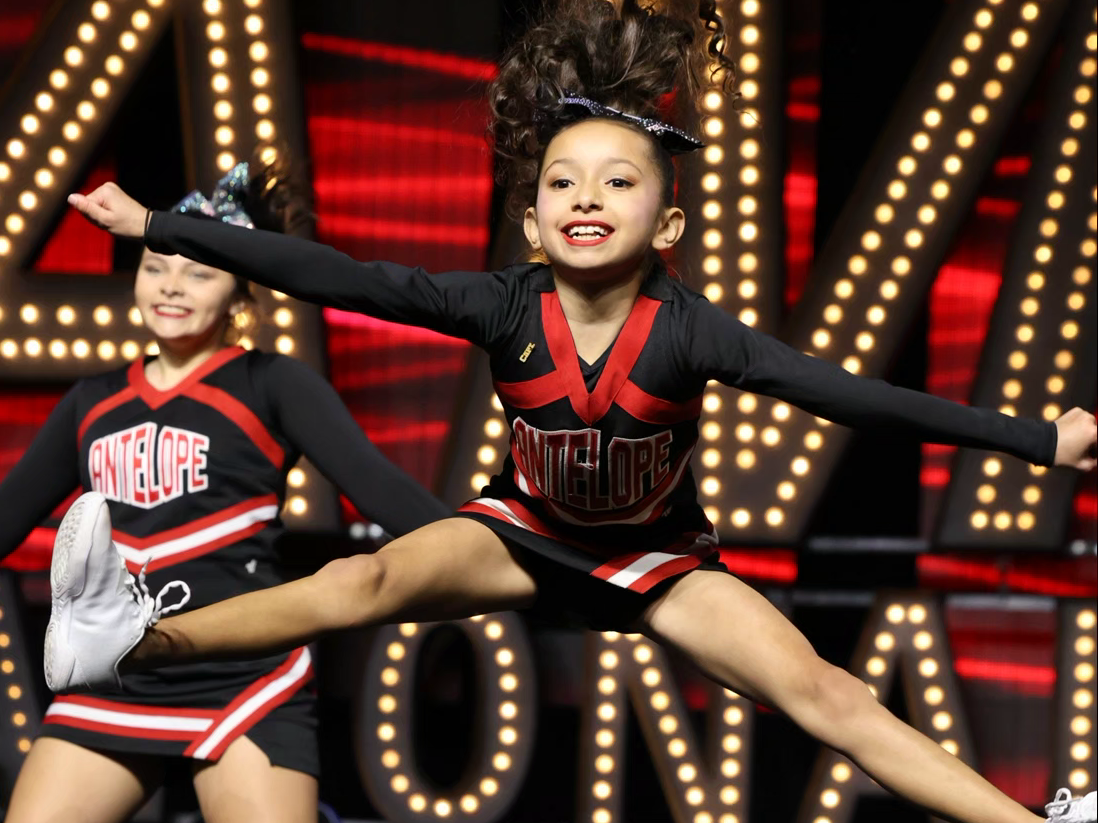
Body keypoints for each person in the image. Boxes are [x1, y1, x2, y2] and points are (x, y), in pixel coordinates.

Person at [52, 2, 1098, 821]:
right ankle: (133, 646)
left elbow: (859, 398)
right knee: (357, 576)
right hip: (526, 535)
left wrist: (1039, 439)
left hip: (658, 561)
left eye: (618, 181)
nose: (586, 197)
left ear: (671, 218)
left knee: (831, 696)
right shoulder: (501, 303)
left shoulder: (693, 331)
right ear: (535, 220)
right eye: (562, 181)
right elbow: (336, 275)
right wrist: (159, 225)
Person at [0, 156, 451, 823]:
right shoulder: (92, 403)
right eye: (156, 267)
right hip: (118, 675)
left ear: (242, 295)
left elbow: (384, 492)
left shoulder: (272, 383)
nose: (171, 287)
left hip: (245, 678)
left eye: (199, 271)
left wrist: (508, 551)